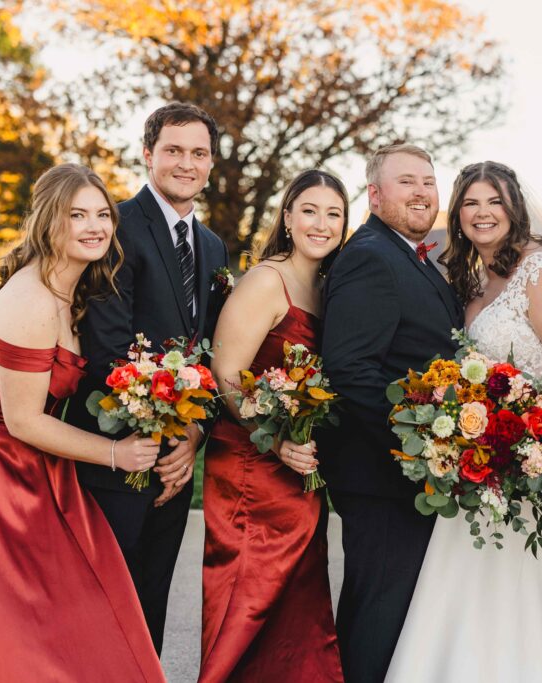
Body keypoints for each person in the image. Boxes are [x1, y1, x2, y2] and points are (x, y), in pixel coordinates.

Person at [0, 164, 165, 682]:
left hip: (30, 463)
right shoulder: (31, 300)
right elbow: (24, 421)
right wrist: (117, 454)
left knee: (66, 610)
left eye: (102, 214)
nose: (95, 226)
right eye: (78, 215)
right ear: (50, 221)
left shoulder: (71, 289)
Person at [385, 161, 542, 682]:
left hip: (532, 466)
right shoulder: (472, 276)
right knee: (464, 596)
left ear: (515, 206)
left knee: (529, 599)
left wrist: (514, 424)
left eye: (494, 201)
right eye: (470, 203)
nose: (482, 213)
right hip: (479, 465)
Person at [66, 102, 230, 653]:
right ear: (148, 154)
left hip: (175, 459)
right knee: (101, 602)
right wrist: (158, 438)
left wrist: (190, 439)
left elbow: (210, 354)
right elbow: (107, 352)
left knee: (152, 597)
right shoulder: (115, 228)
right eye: (174, 150)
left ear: (211, 162)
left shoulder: (211, 246)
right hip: (115, 452)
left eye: (199, 153)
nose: (187, 163)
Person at [320, 144, 464, 682]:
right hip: (383, 474)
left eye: (428, 180)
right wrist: (421, 446)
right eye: (407, 182)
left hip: (406, 476)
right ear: (375, 195)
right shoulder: (370, 256)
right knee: (377, 616)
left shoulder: (409, 254)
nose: (422, 191)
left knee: (398, 617)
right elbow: (351, 369)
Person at [199, 170, 346, 682]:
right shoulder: (267, 279)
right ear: (287, 217)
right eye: (309, 210)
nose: (321, 224)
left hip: (299, 469)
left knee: (298, 605)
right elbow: (226, 374)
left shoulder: (328, 285)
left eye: (333, 213)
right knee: (249, 597)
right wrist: (277, 441)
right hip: (250, 464)